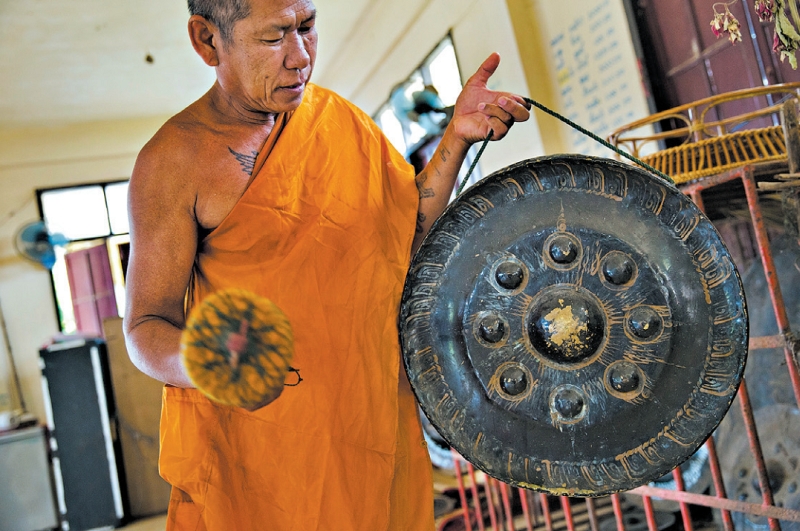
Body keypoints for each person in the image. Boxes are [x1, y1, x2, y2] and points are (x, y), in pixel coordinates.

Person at [123, 0, 530, 529]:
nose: (300, 58)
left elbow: (404, 238)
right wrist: (208, 362)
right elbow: (145, 325)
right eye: (274, 38)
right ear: (207, 40)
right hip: (265, 454)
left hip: (373, 422)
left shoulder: (340, 122)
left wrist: (456, 135)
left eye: (308, 27)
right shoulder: (174, 162)